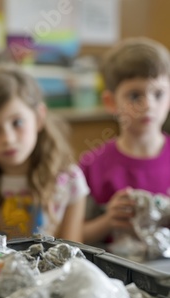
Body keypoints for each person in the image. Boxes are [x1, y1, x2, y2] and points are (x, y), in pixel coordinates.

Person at [0, 64, 89, 243]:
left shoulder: (71, 180)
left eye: (17, 122)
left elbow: (74, 251)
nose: (8, 139)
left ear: (39, 117)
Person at [79, 37, 170, 247]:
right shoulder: (92, 166)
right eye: (135, 96)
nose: (148, 105)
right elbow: (74, 235)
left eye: (158, 94)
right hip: (117, 275)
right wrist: (108, 221)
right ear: (111, 102)